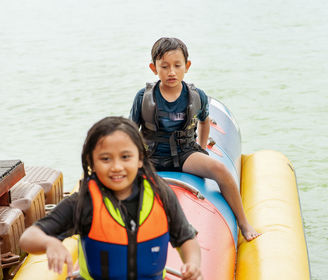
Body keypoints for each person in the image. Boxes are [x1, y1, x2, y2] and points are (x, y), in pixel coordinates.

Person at [19, 116, 202, 280]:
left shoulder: (161, 194)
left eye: (125, 157)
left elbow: (186, 238)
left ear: (139, 159)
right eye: (105, 159)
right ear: (91, 162)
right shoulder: (84, 202)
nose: (116, 167)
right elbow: (28, 238)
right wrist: (49, 242)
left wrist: (192, 264)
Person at [130, 37, 260, 242]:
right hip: (152, 156)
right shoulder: (143, 97)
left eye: (177, 65)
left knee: (221, 171)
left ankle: (243, 223)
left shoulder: (196, 96)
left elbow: (204, 122)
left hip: (185, 154)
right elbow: (131, 131)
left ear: (187, 66)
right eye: (164, 66)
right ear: (153, 68)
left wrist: (200, 148)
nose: (171, 72)